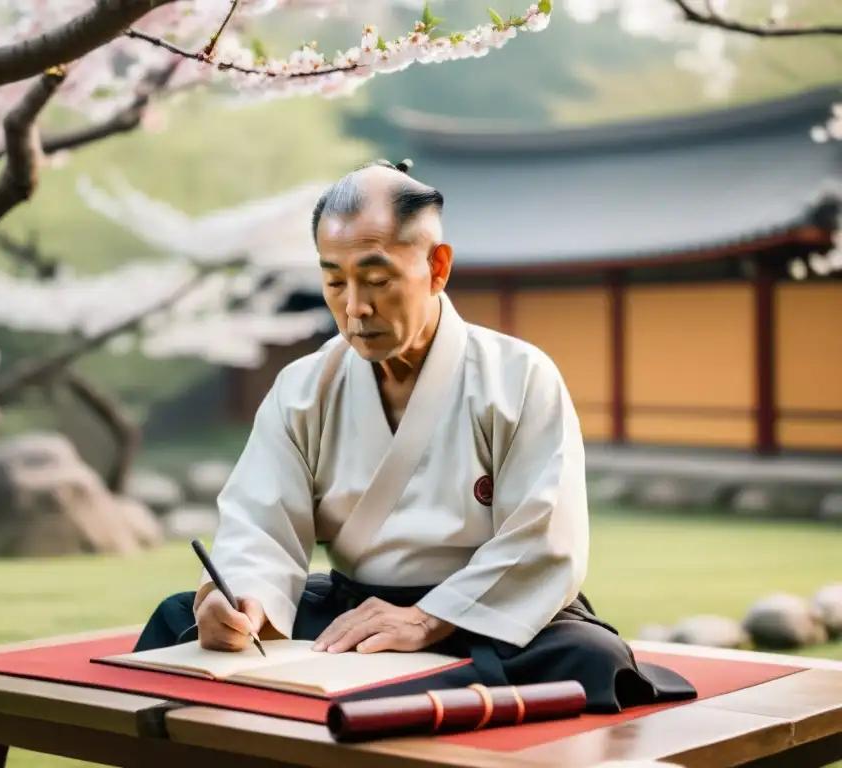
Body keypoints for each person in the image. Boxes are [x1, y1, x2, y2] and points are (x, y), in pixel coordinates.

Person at [134, 159, 696, 712]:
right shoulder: (303, 388)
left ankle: (372, 705)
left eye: (377, 280)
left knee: (587, 656)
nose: (354, 308)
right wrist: (243, 603)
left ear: (437, 266)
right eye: (334, 281)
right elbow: (260, 524)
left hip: (482, 612)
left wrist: (427, 619)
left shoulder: (517, 376)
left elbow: (544, 538)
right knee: (178, 618)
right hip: (355, 613)